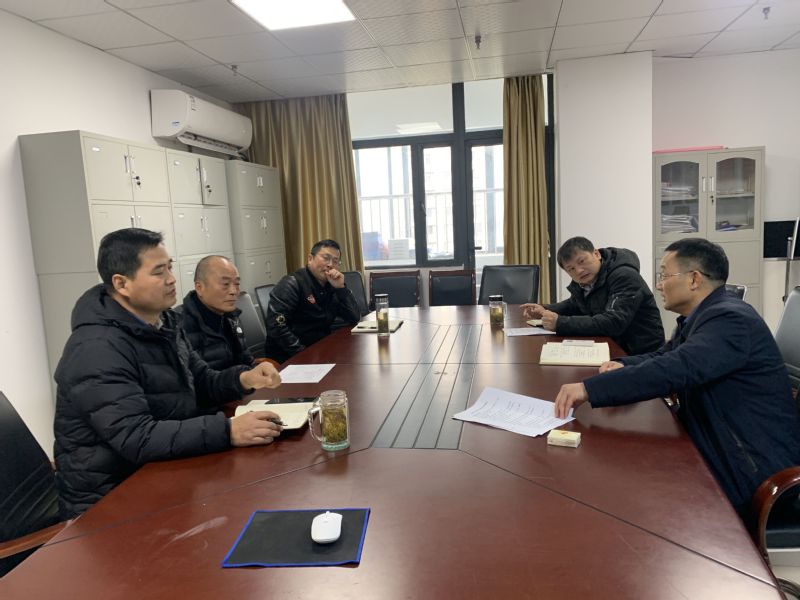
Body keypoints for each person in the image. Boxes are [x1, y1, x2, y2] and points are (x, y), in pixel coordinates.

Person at [554, 238, 800, 515]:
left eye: (664, 276)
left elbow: (675, 368)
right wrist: (623, 364)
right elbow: (667, 355)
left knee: (623, 493)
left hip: (749, 470)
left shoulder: (730, 320)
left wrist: (589, 389)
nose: (659, 285)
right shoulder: (704, 316)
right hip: (718, 443)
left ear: (694, 279)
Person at [54, 228, 284, 519]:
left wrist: (244, 378)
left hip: (164, 470)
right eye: (159, 272)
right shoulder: (96, 348)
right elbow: (136, 437)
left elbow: (201, 381)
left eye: (170, 268)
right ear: (122, 283)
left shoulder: (164, 323)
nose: (172, 279)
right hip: (111, 500)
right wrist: (227, 430)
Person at [521, 237, 664, 355]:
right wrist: (545, 309)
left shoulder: (624, 276)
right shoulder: (586, 279)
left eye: (581, 261)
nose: (579, 270)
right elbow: (575, 304)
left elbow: (614, 322)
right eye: (571, 269)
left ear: (596, 254)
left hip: (640, 353)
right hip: (611, 345)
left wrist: (560, 323)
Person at [265, 239, 360, 363]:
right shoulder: (292, 284)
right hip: (290, 357)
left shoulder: (332, 284)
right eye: (326, 258)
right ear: (310, 259)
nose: (330, 264)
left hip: (320, 352)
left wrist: (341, 288)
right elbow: (276, 327)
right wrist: (303, 354)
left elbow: (354, 318)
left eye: (335, 261)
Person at [179, 255, 254, 370]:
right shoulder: (180, 326)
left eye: (237, 284)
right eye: (225, 284)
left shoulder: (232, 317)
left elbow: (247, 360)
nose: (234, 291)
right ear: (199, 288)